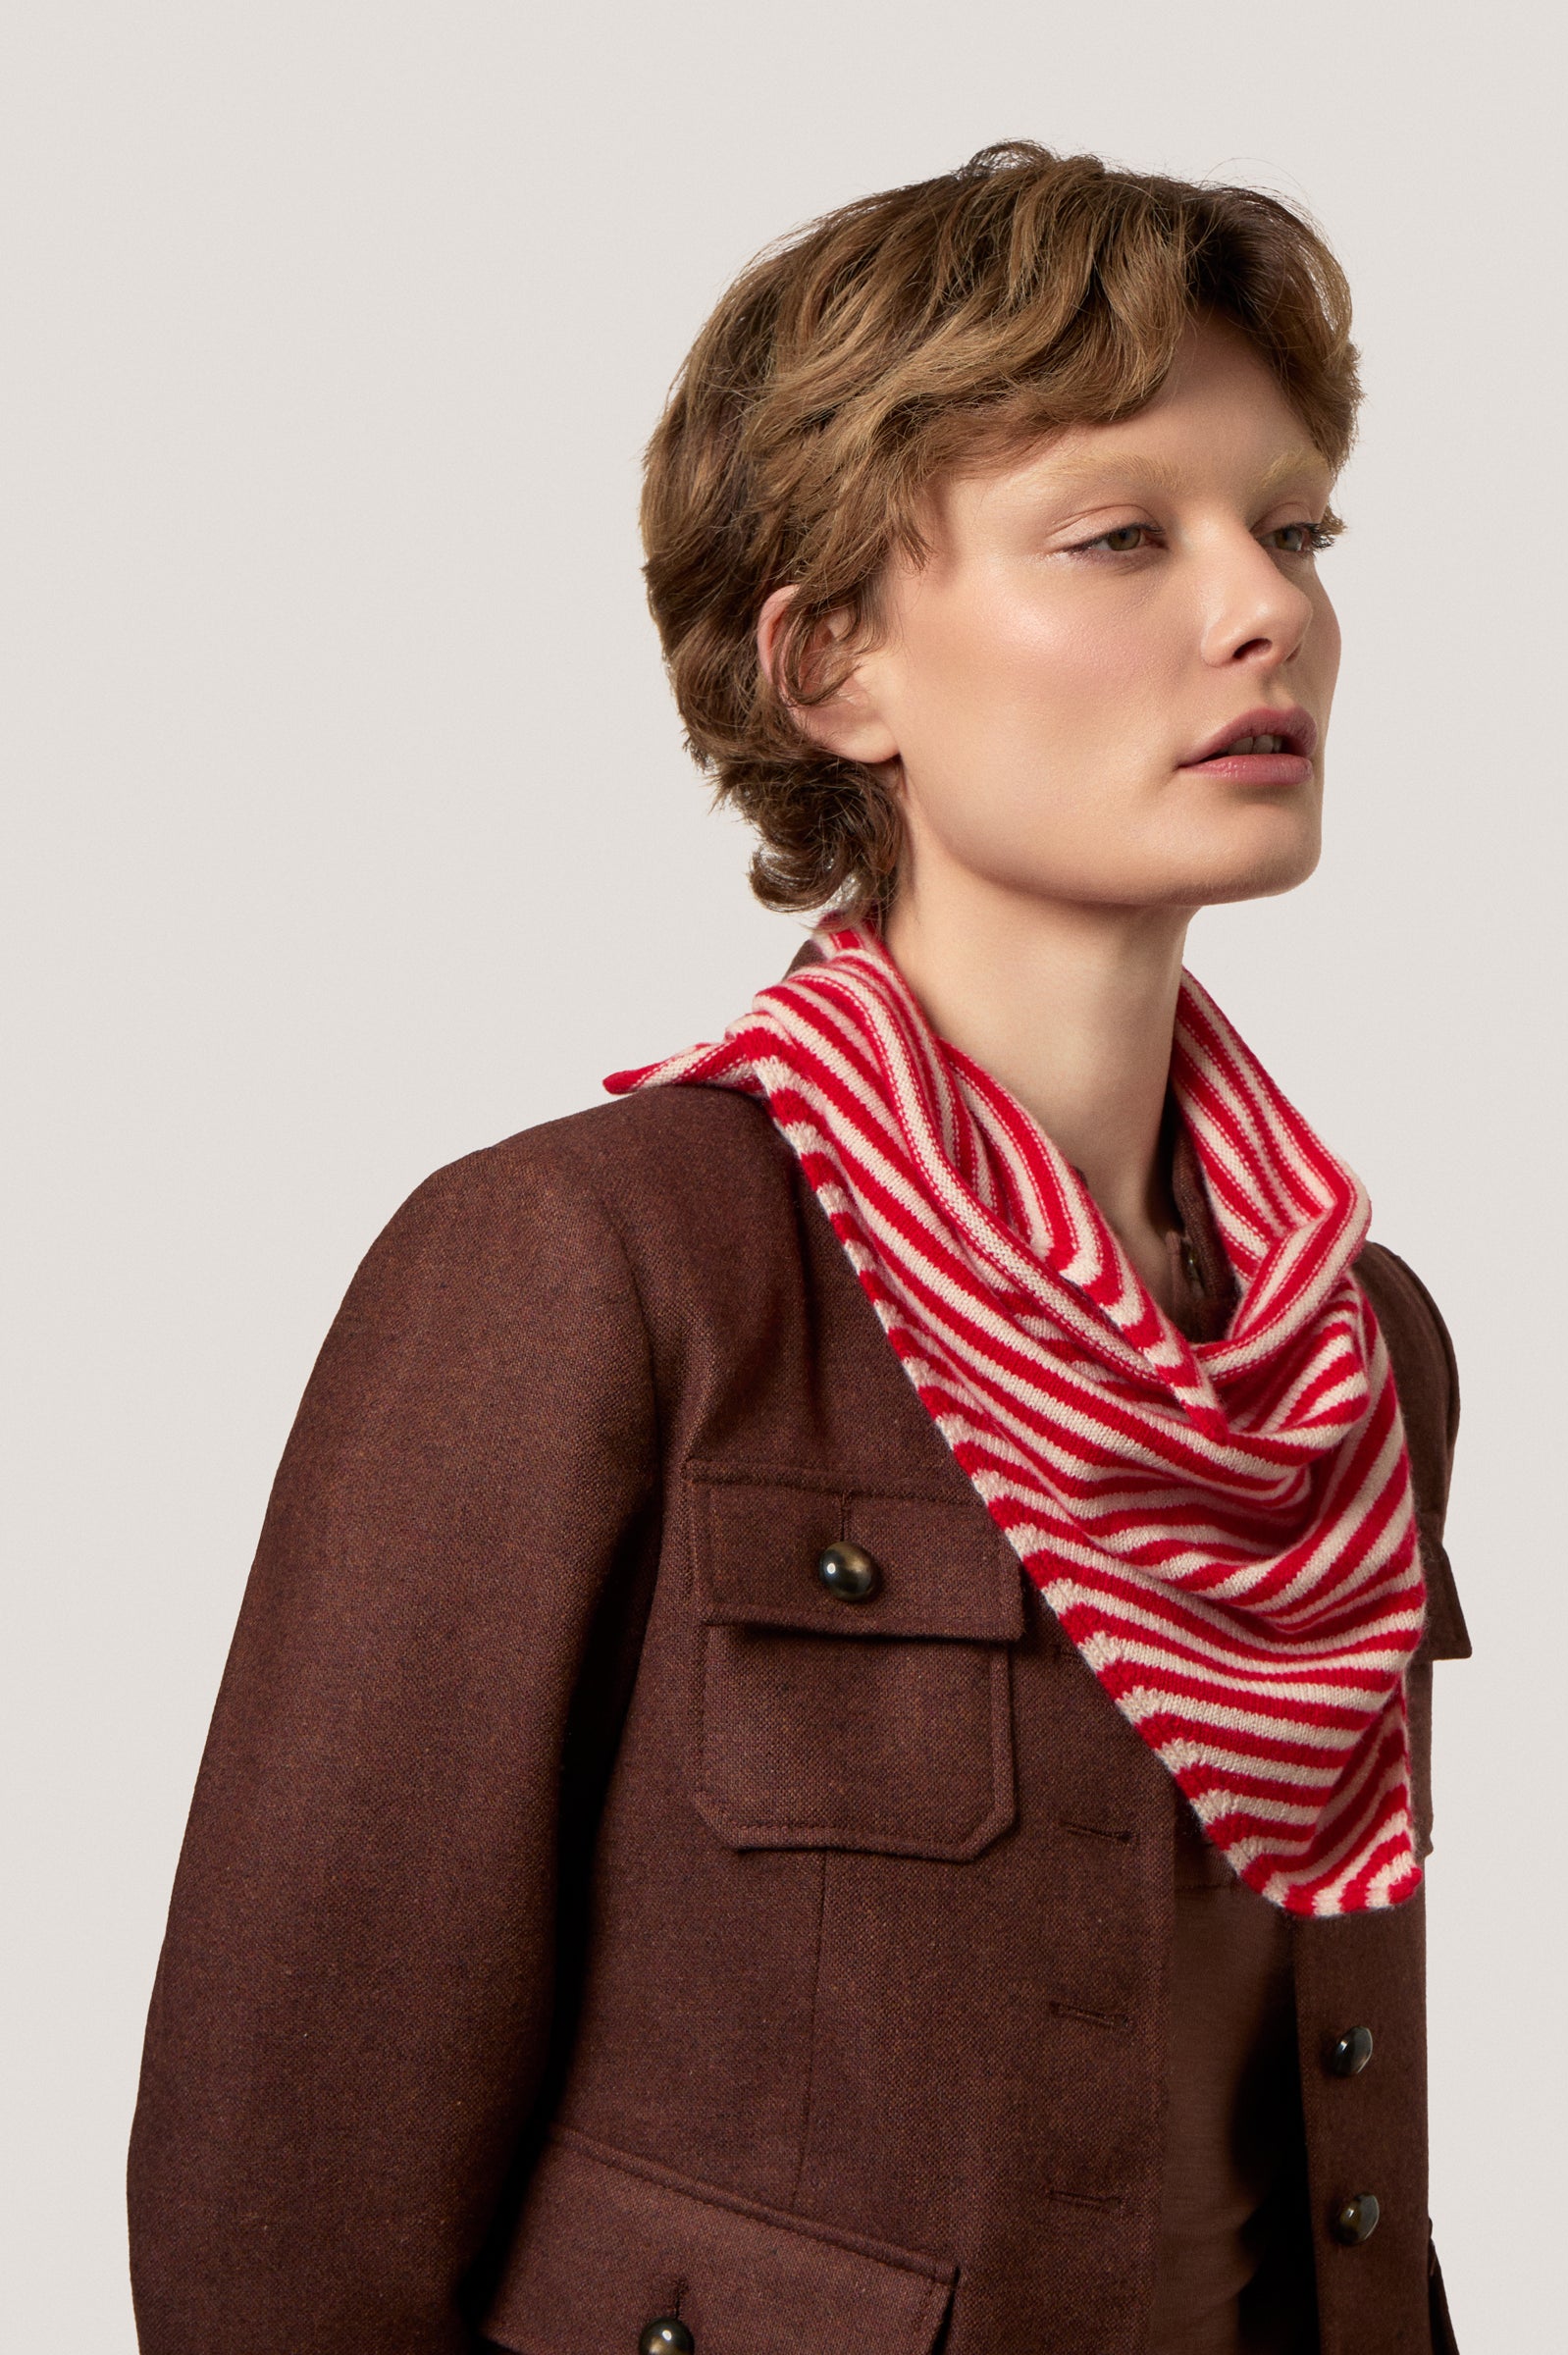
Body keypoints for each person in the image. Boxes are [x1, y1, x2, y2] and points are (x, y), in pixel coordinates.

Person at [129, 141, 1472, 2355]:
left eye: (1294, 529)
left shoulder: (1349, 1348)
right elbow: (277, 2217)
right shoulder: (591, 1268)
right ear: (832, 662)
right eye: (1123, 535)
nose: (1267, 610)